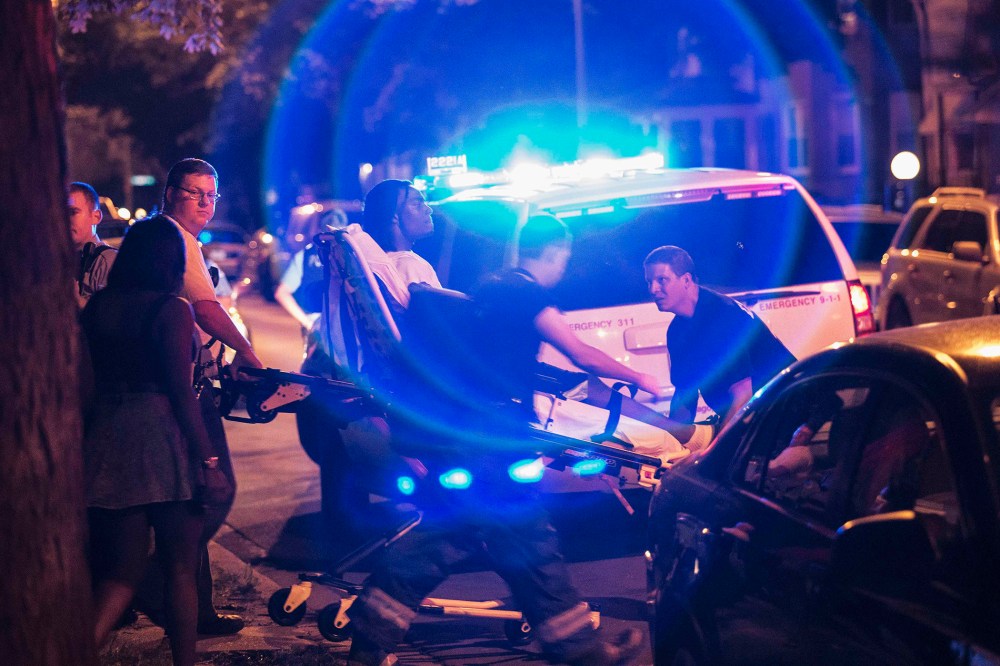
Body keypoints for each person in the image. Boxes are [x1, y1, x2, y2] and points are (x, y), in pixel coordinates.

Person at [344, 214, 648, 666]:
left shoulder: (487, 288)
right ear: (556, 252)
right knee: (529, 546)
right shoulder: (527, 294)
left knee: (446, 543)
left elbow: (495, 362)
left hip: (463, 442)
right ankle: (583, 654)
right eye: (565, 256)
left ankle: (368, 648)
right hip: (495, 449)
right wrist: (640, 376)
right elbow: (579, 351)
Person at [81, 217, 231, 666]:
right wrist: (208, 459)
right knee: (180, 567)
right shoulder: (171, 309)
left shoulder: (100, 307)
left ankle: (73, 652)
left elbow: (86, 383)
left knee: (121, 573)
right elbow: (180, 392)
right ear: (171, 260)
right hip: (162, 438)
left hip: (109, 435)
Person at [142, 158, 261, 635]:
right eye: (194, 193)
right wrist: (247, 352)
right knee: (213, 493)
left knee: (192, 497)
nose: (205, 204)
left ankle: (197, 609)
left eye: (211, 195)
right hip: (180, 389)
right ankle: (157, 581)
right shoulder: (173, 238)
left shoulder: (166, 241)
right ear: (170, 192)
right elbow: (206, 307)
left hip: (179, 382)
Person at [643, 245, 796, 426]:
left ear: (686, 280)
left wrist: (714, 449)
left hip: (785, 412)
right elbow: (685, 397)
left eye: (662, 280)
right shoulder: (676, 331)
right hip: (750, 417)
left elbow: (743, 395)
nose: (653, 289)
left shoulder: (722, 314)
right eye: (649, 282)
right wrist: (672, 439)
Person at [69, 181, 116, 308]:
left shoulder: (108, 261)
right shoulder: (58, 259)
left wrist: (76, 299)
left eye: (73, 212)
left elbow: (109, 317)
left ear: (96, 216)